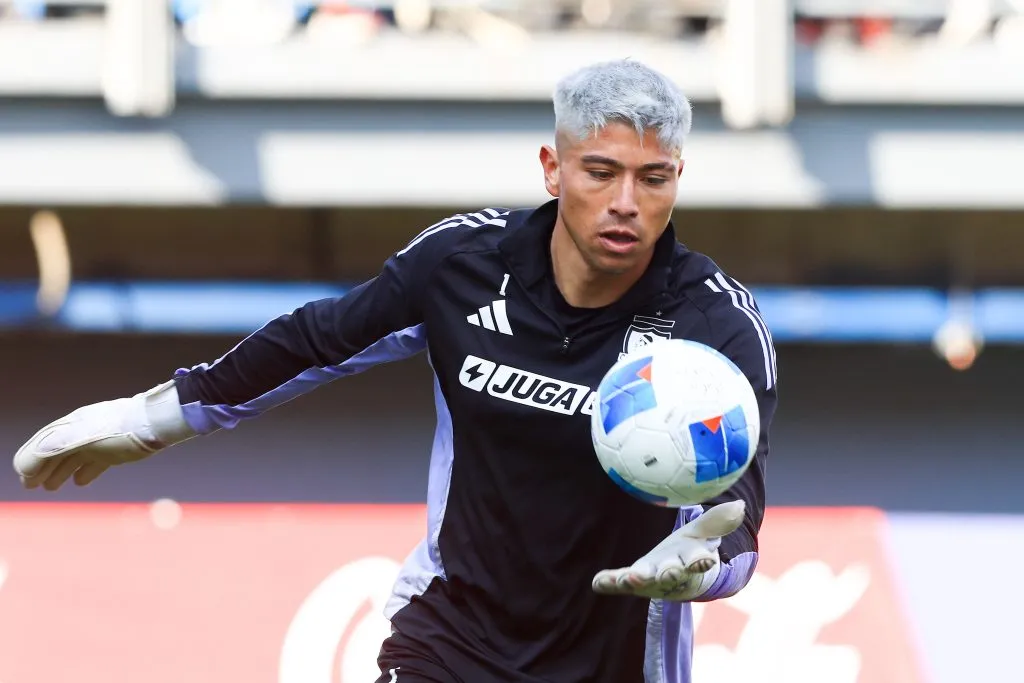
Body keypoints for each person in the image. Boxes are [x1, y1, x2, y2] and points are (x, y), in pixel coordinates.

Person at [13, 59, 778, 683]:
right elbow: (318, 340)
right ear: (552, 167)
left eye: (654, 179)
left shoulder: (716, 328)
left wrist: (706, 570)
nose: (625, 204)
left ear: (678, 178)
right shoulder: (463, 264)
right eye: (600, 171)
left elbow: (738, 514)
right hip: (449, 641)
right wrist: (152, 419)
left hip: (616, 663)